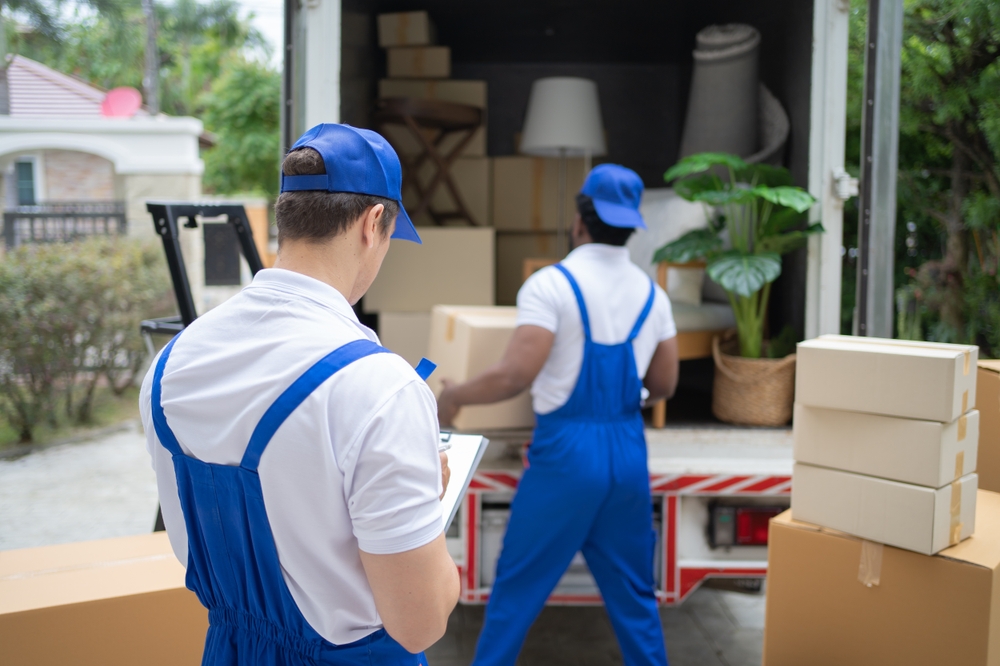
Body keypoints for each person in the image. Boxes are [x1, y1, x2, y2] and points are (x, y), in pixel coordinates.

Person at [139, 123, 459, 665]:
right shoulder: (378, 388)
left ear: (288, 217)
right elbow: (419, 621)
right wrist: (425, 497)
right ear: (373, 222)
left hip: (229, 651)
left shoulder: (172, 364)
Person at [438, 164, 680, 666]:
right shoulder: (653, 296)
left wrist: (456, 395)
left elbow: (514, 375)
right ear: (632, 225)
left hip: (567, 457)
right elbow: (664, 385)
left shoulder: (552, 285)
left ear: (579, 220)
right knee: (635, 598)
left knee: (517, 592)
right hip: (627, 452)